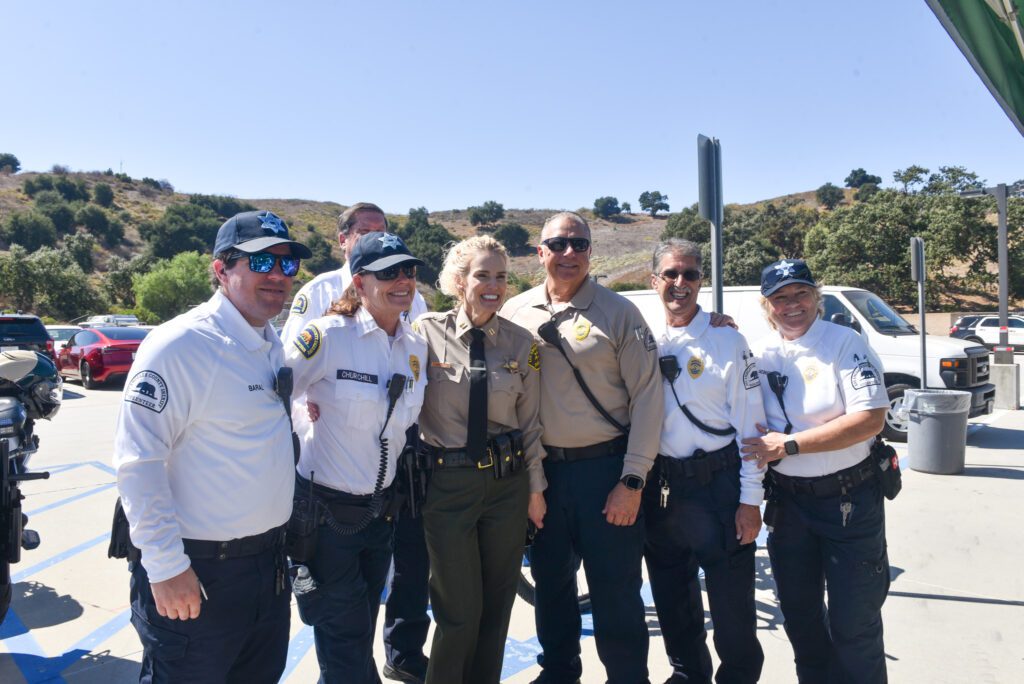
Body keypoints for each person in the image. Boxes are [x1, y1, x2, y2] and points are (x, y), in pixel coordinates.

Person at [113, 210, 311, 683]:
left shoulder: (268, 343)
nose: (278, 277)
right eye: (262, 262)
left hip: (266, 569)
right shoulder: (180, 344)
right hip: (197, 572)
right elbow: (138, 464)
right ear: (221, 270)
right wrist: (164, 567)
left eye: (287, 265)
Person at [503, 211, 663, 684]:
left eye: (579, 244)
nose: (568, 253)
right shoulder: (516, 312)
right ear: (540, 252)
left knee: (616, 592)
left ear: (591, 251)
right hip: (544, 475)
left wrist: (632, 480)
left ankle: (628, 677)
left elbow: (649, 399)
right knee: (552, 586)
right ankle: (558, 672)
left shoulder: (618, 313)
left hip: (607, 472)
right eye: (558, 244)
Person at [281, 202, 431, 684]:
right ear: (360, 281)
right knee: (346, 643)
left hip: (378, 516)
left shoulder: (414, 349)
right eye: (388, 273)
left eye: (408, 270)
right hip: (325, 518)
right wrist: (305, 418)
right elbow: (274, 394)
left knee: (357, 631)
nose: (402, 281)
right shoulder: (326, 336)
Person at [741, 259, 890, 683]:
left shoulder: (845, 343)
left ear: (816, 297)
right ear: (766, 305)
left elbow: (870, 420)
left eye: (800, 293)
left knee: (853, 627)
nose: (792, 305)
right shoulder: (761, 351)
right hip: (789, 506)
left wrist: (789, 445)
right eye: (780, 297)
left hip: (848, 503)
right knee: (802, 623)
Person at [415, 236, 545, 684]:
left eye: (501, 277)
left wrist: (535, 489)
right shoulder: (424, 333)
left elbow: (531, 425)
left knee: (497, 604)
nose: (493, 286)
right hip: (448, 486)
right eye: (482, 275)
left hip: (506, 487)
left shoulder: (521, 342)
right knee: (458, 610)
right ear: (459, 280)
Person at [643, 239, 765, 684]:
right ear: (654, 281)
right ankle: (687, 674)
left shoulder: (727, 340)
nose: (680, 284)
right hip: (663, 488)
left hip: (719, 485)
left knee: (732, 605)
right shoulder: (643, 340)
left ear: (701, 281)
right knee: (672, 595)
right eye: (671, 275)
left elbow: (752, 427)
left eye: (690, 275)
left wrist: (751, 501)